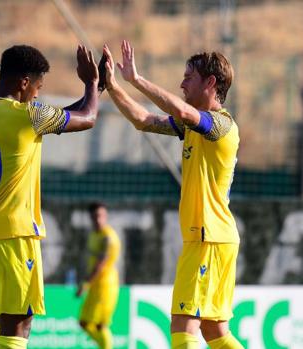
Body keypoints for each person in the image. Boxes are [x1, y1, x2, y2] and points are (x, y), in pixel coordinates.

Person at [0, 44, 100, 349]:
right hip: (16, 234)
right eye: (38, 86)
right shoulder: (28, 115)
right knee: (19, 327)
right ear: (24, 82)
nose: (37, 94)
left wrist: (99, 89)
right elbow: (87, 117)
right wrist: (92, 84)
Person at [103, 41, 242, 349]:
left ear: (210, 83)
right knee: (215, 332)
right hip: (213, 238)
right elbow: (143, 120)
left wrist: (136, 79)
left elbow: (181, 110)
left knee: (183, 326)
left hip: (209, 237)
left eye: (188, 77)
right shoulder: (194, 126)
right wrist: (112, 86)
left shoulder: (220, 124)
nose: (181, 83)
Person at [76, 202, 120, 349]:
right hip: (95, 284)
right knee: (83, 323)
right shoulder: (93, 235)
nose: (98, 219)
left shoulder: (108, 237)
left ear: (105, 216)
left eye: (100, 215)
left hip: (106, 285)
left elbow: (100, 264)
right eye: (95, 216)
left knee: (101, 325)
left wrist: (85, 284)